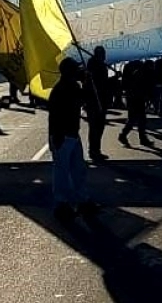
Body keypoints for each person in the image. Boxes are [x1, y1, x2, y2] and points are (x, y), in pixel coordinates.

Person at [49, 57, 97, 221]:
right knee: (61, 171)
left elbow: (88, 98)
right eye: (76, 69)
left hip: (72, 135)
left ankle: (83, 200)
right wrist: (56, 137)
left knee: (78, 169)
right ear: (69, 71)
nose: (79, 71)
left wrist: (88, 81)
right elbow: (54, 116)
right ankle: (61, 204)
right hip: (62, 136)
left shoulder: (72, 86)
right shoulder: (62, 89)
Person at [84, 46, 111, 163]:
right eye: (102, 54)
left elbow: (105, 83)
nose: (104, 56)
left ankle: (96, 150)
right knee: (95, 127)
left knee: (99, 127)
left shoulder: (101, 65)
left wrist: (115, 78)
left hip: (101, 101)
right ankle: (93, 151)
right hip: (94, 101)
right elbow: (97, 83)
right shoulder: (93, 67)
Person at [119, 60, 155, 147]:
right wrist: (149, 97)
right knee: (138, 119)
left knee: (136, 118)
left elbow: (125, 84)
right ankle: (126, 135)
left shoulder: (134, 68)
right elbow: (147, 86)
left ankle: (129, 136)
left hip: (133, 97)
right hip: (137, 98)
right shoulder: (143, 72)